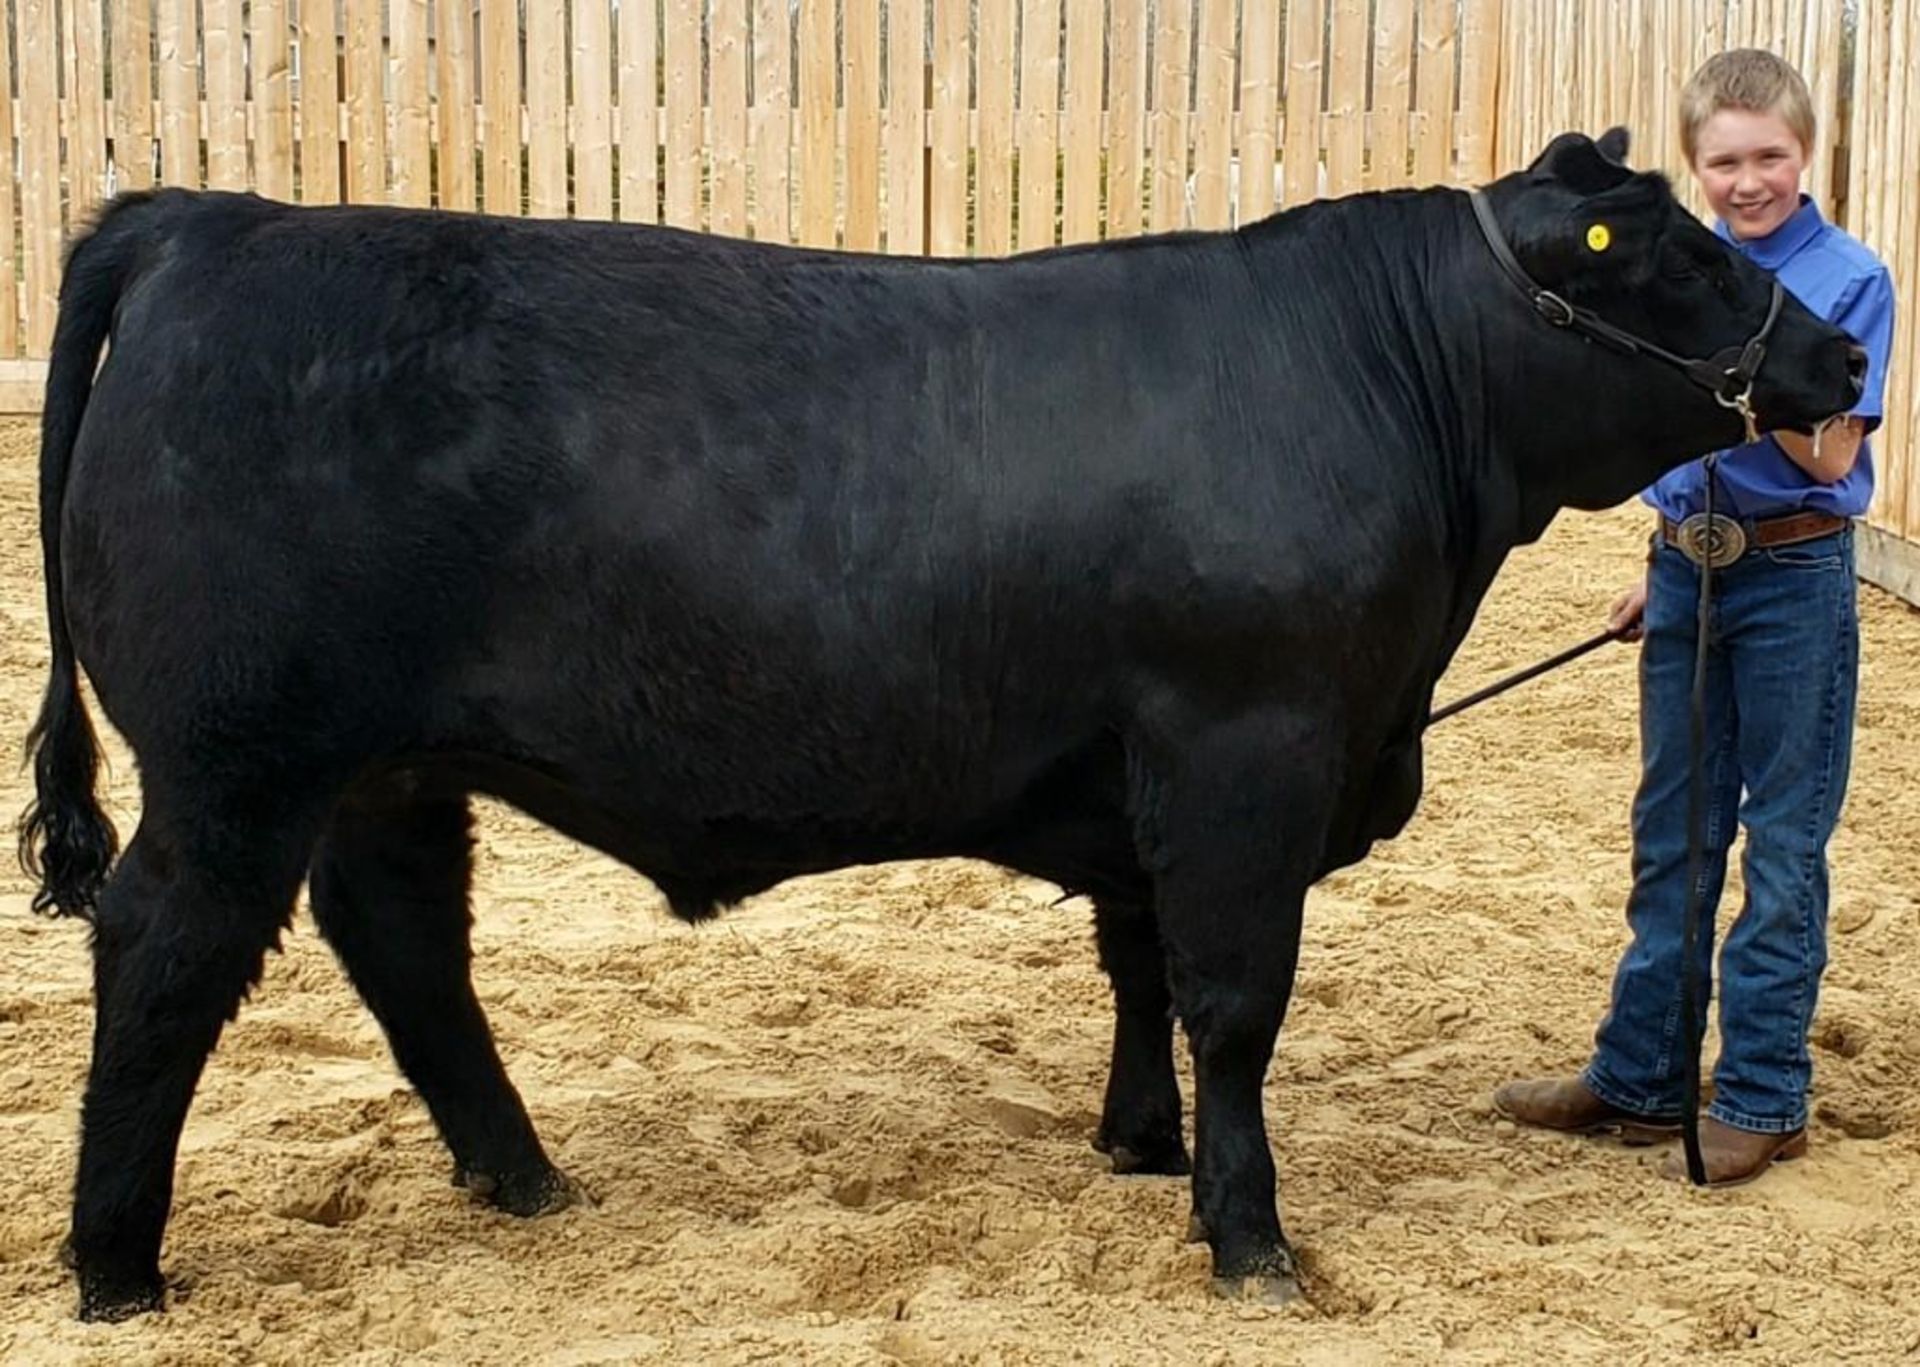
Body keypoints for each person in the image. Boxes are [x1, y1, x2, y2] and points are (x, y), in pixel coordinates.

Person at [1493, 49, 1897, 1187]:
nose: (1749, 179)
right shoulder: (1694, 267)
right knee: (1672, 827)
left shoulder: (1847, 276)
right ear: (1696, 166)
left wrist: (1753, 371)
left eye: (1770, 155)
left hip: (1794, 579)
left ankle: (1764, 1093)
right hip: (1691, 572)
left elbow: (1828, 451)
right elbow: (1675, 430)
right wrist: (1667, 551)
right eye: (1726, 160)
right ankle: (1640, 1072)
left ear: (1804, 153)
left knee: (1783, 841)